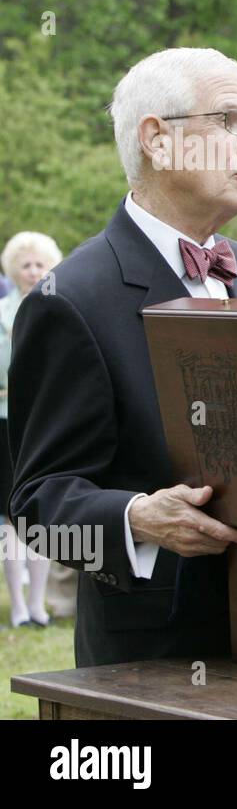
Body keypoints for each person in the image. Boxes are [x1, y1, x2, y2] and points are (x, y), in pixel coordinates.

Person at [6, 47, 237, 666]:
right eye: (229, 121)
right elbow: (37, 506)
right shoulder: (71, 298)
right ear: (158, 142)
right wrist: (138, 517)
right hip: (153, 655)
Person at [1, 231, 62, 627]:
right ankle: (18, 606)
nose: (33, 272)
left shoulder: (58, 308)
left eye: (40, 264)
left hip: (44, 422)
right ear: (13, 270)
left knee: (39, 513)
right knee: (9, 519)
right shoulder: (2, 312)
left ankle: (39, 605)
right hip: (5, 424)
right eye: (26, 265)